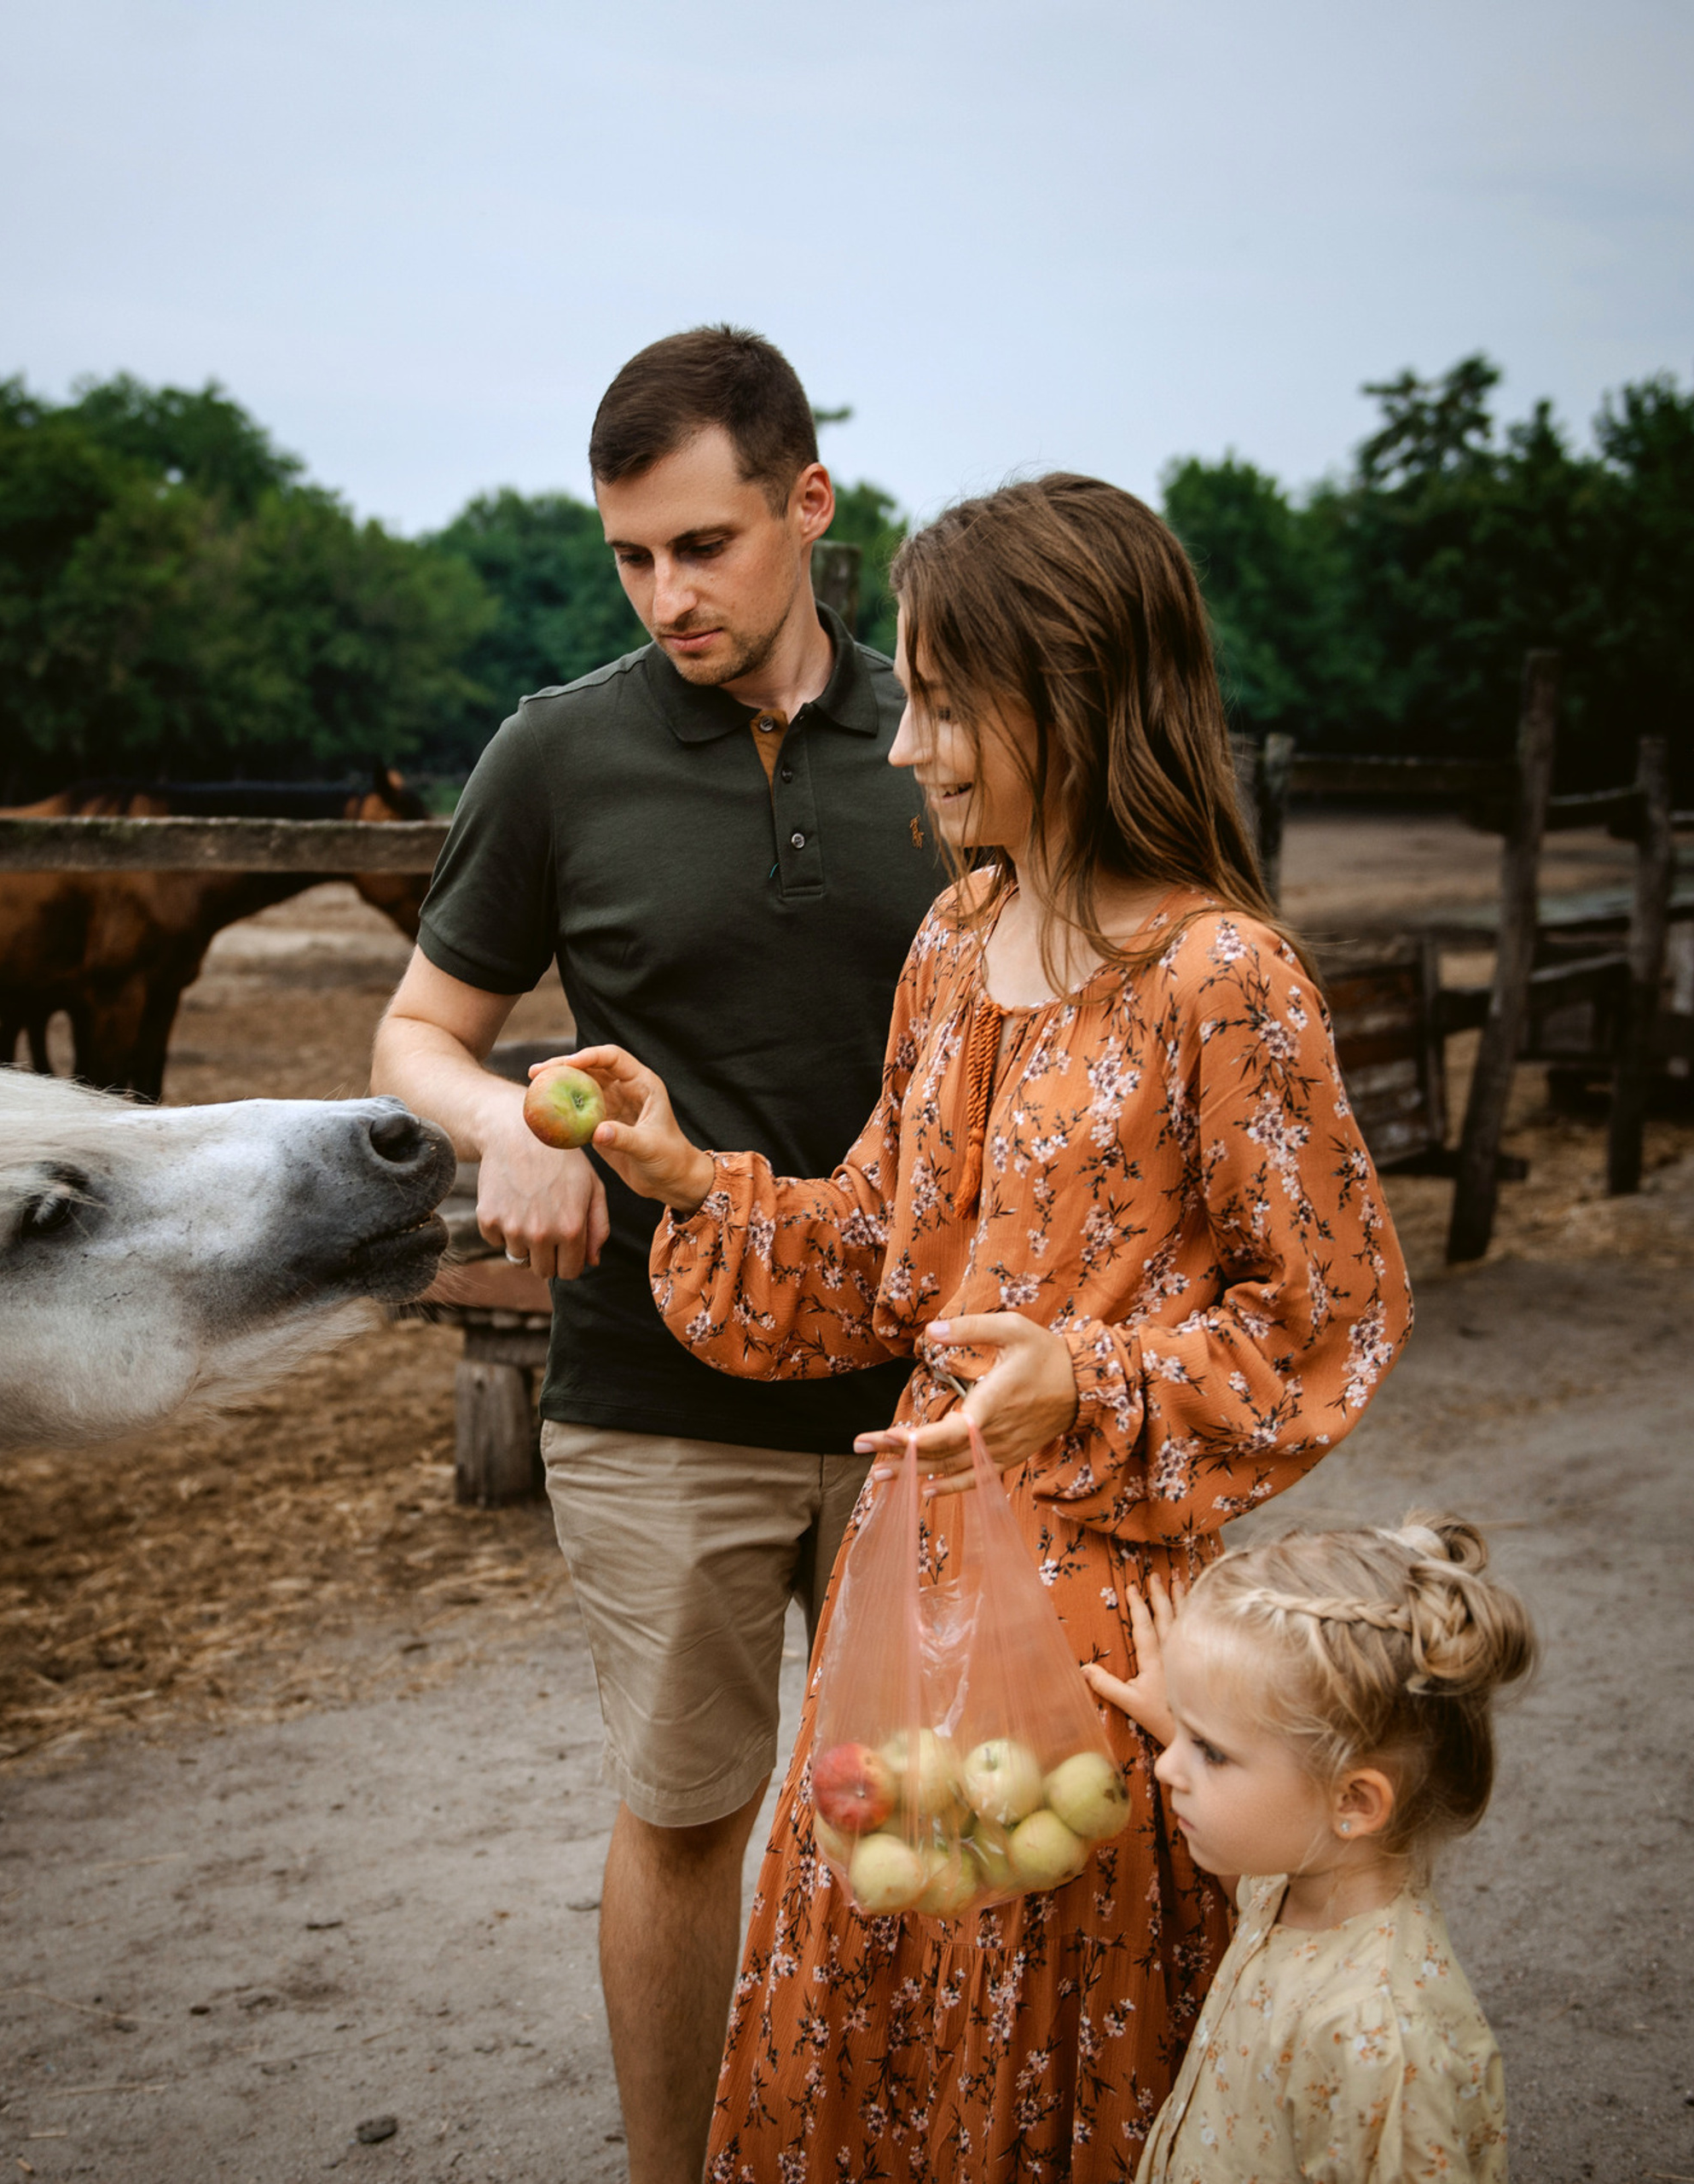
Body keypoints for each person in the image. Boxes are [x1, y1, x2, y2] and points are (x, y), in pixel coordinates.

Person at [551, 473, 1415, 2179]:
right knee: (886, 2018)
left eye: (942, 698)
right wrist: (688, 1178)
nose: (901, 743)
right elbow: (882, 1248)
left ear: (1072, 691)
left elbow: (1327, 1320)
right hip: (914, 1602)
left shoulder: (1218, 977)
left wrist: (1077, 1380)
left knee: (1059, 2054)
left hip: (1109, 1631)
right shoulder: (956, 936)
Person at [371, 327, 943, 2181]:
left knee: (918, 1817)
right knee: (690, 1811)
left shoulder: (946, 735)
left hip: (921, 1398)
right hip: (651, 1383)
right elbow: (415, 1036)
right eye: (629, 554)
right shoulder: (558, 747)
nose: (665, 592)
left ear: (807, 503)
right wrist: (506, 1129)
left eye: (701, 543)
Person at [1087, 1517, 1529, 2181]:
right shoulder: (1296, 1876)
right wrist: (1181, 1718)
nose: (1166, 1768)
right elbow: (1250, 1895)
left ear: (1353, 1802)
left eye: (1209, 1751)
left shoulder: (1380, 2042)